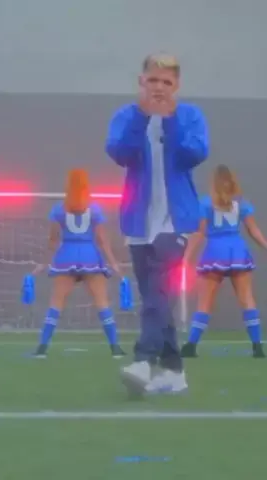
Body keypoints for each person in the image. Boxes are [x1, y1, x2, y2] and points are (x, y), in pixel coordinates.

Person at [105, 53, 209, 394]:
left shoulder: (190, 116)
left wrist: (170, 121)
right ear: (142, 82)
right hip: (138, 220)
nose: (159, 88)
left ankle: (144, 360)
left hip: (176, 221)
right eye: (153, 80)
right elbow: (119, 153)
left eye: (166, 82)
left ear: (176, 85)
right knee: (154, 296)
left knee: (158, 293)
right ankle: (174, 371)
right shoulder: (126, 116)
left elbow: (195, 155)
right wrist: (142, 118)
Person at [181, 165, 267, 358]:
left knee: (205, 302)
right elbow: (253, 230)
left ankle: (191, 346)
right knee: (247, 299)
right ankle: (257, 346)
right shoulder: (241, 203)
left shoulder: (205, 203)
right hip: (238, 251)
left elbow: (200, 233)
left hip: (215, 252)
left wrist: (186, 257)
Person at [33, 169, 126, 358]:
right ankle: (115, 347)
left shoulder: (58, 209)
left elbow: (53, 240)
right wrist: (113, 263)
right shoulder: (95, 209)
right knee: (102, 303)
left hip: (66, 256)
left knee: (56, 303)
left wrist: (43, 263)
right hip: (90, 256)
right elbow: (102, 240)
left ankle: (42, 348)